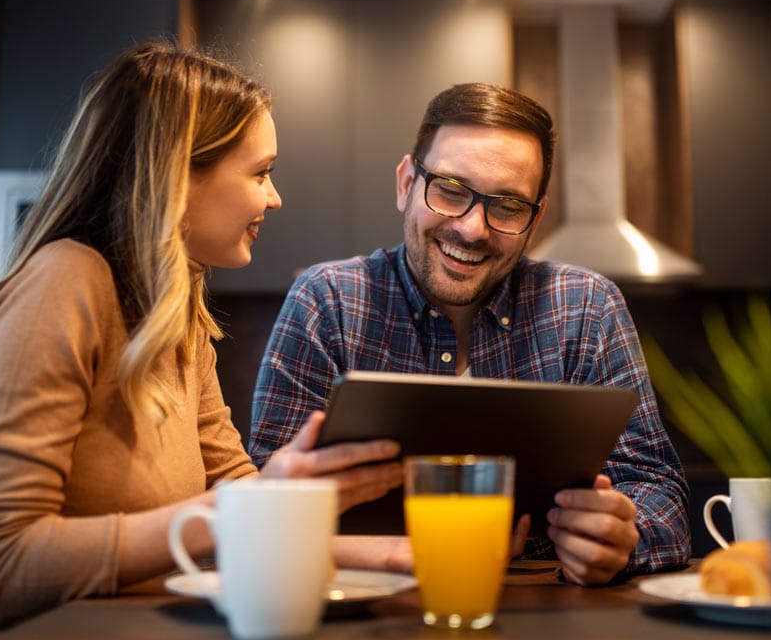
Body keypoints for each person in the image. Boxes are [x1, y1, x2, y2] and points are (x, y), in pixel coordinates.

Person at [0, 43, 403, 640]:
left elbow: (238, 494)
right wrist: (245, 509)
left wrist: (393, 555)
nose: (275, 197)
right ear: (178, 175)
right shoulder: (64, 283)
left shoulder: (178, 318)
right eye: (260, 172)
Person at [249, 82, 690, 586]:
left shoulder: (587, 308)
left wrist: (622, 537)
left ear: (535, 219)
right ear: (406, 183)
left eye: (506, 207)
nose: (473, 229)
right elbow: (263, 497)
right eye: (451, 191)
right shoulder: (327, 301)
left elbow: (662, 495)